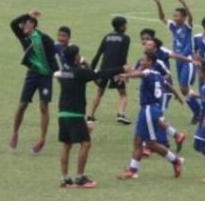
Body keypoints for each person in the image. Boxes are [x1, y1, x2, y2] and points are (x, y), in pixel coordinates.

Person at [54, 45, 127, 189]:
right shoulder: (79, 72)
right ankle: (80, 178)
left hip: (62, 113)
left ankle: (65, 179)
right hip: (75, 114)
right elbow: (99, 74)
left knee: (66, 145)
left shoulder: (64, 72)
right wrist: (121, 69)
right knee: (85, 143)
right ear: (75, 57)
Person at [117, 53, 184, 180]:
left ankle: (176, 161)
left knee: (151, 144)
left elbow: (140, 74)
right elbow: (168, 85)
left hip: (149, 109)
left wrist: (126, 75)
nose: (141, 62)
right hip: (150, 110)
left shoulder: (147, 72)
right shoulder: (158, 75)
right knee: (138, 140)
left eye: (144, 60)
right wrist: (177, 95)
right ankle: (132, 171)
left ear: (151, 62)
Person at [9, 10, 60, 153]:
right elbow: (12, 24)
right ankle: (15, 133)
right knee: (22, 105)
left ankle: (42, 139)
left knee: (44, 107)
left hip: (45, 77)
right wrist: (27, 14)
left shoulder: (44, 38)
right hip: (32, 75)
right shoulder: (23, 37)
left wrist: (57, 74)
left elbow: (52, 57)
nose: (22, 26)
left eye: (25, 23)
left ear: (32, 25)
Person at [153, 0, 202, 123]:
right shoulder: (173, 27)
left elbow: (191, 17)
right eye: (174, 16)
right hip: (178, 62)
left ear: (183, 17)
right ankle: (198, 110)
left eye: (177, 16)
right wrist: (158, 3)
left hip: (188, 60)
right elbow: (162, 18)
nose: (174, 18)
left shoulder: (187, 27)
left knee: (184, 87)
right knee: (183, 90)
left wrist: (183, 3)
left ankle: (202, 102)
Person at [88, 17, 131, 124]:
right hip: (117, 69)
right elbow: (123, 55)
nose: (126, 27)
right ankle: (121, 114)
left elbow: (98, 54)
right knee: (123, 94)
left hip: (104, 69)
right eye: (125, 25)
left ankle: (90, 115)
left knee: (99, 91)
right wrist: (124, 72)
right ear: (122, 26)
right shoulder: (125, 38)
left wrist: (92, 71)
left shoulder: (107, 37)